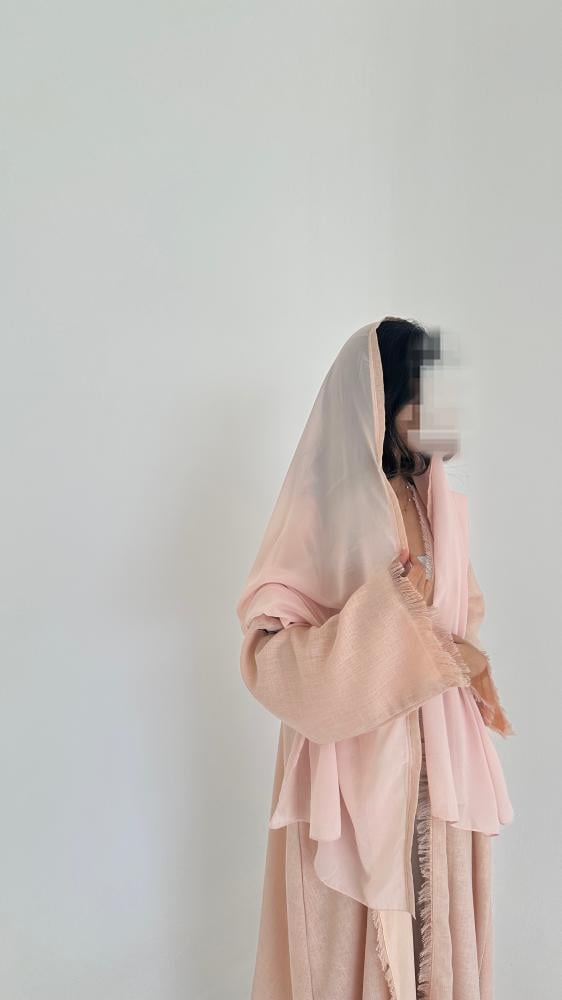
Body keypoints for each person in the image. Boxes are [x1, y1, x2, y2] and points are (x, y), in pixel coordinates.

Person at [236, 318, 514, 999]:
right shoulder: (325, 506)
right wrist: (390, 615)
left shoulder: (432, 497)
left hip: (438, 760)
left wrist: (459, 654)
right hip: (358, 768)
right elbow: (268, 655)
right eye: (423, 393)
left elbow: (458, 611)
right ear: (385, 397)